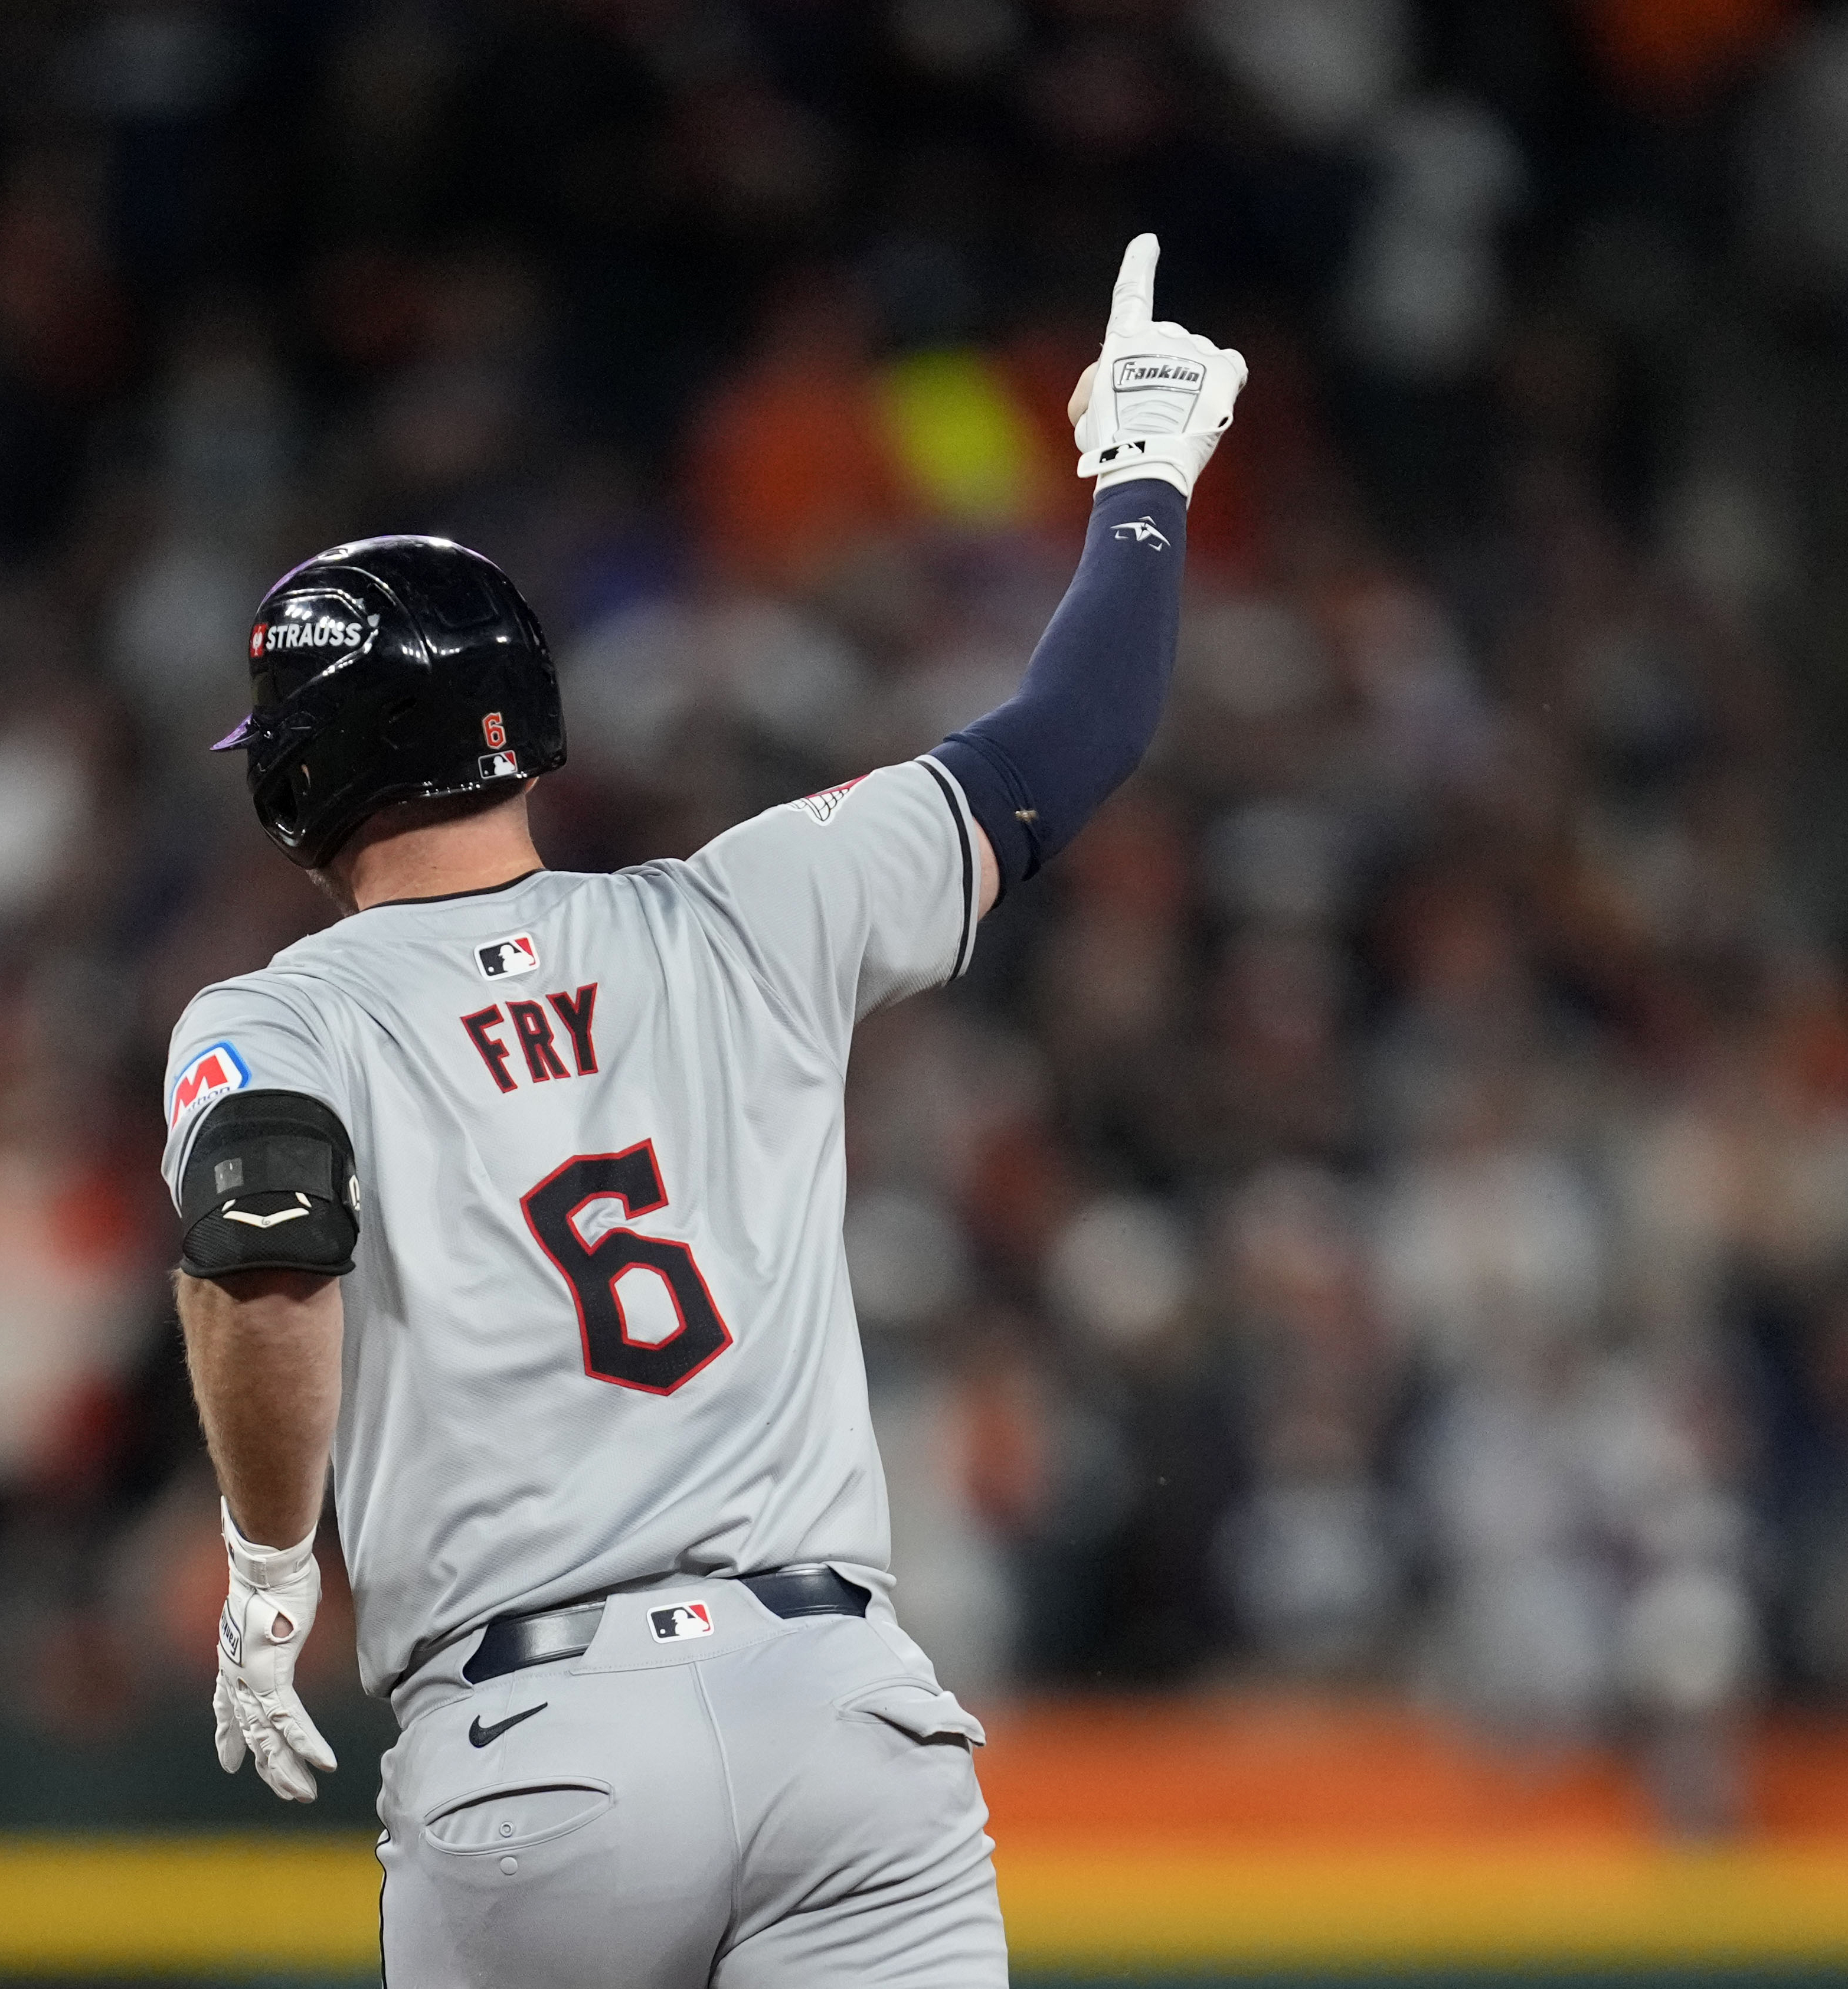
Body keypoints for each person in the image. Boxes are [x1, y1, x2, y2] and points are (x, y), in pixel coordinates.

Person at [160, 237, 1242, 1987]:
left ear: (301, 768)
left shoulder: (287, 1013)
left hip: (538, 1746)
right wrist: (1144, 477)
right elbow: (1073, 730)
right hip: (842, 1708)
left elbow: (266, 1238)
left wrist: (270, 1563)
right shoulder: (748, 905)